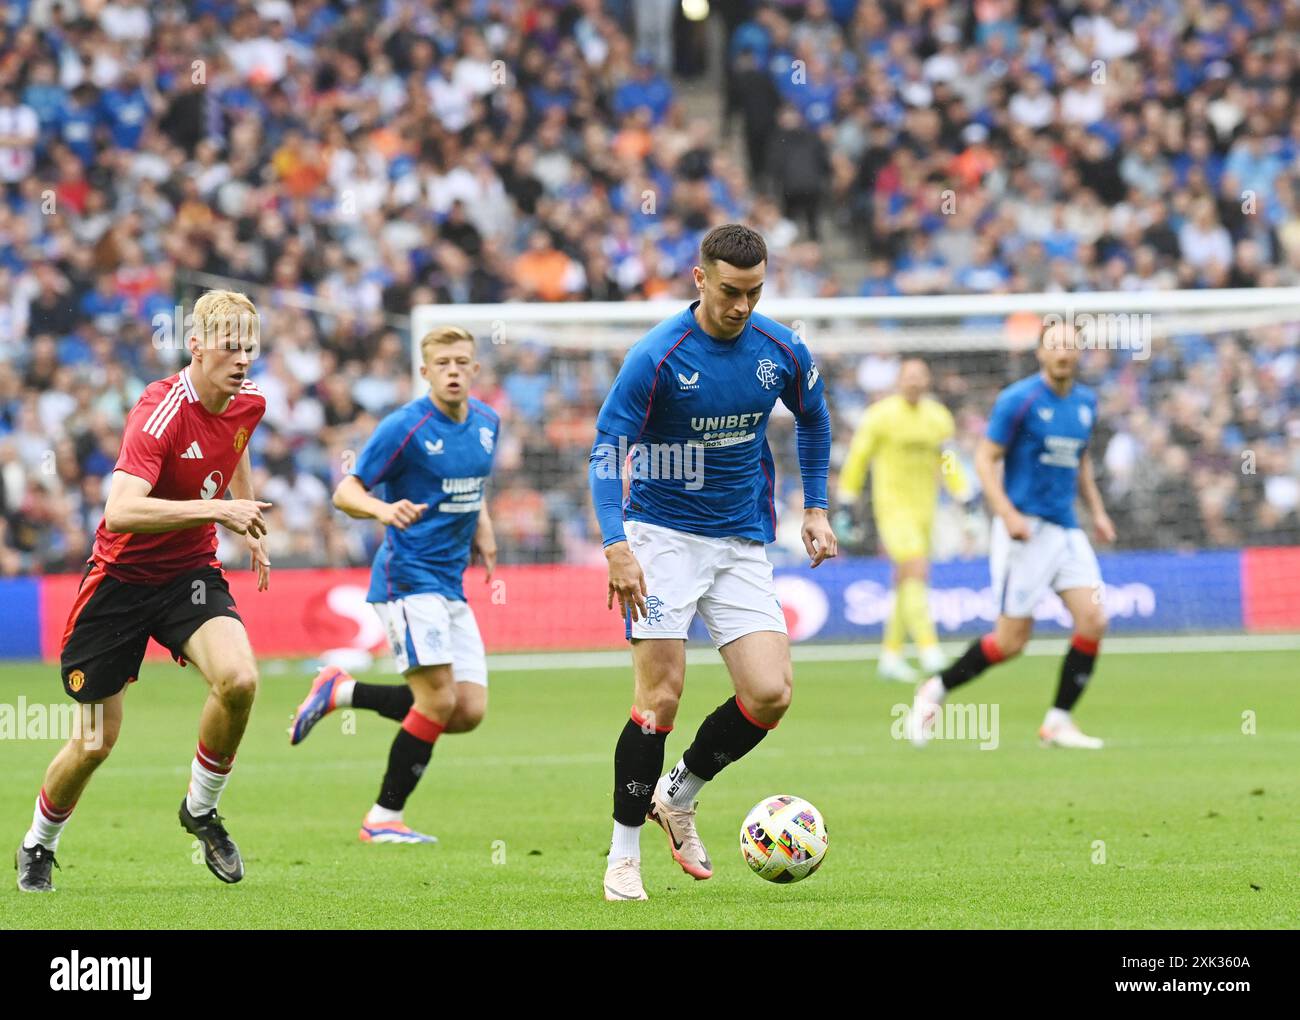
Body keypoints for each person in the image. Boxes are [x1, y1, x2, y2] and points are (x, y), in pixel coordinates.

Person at [589, 223, 836, 901]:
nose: (743, 306)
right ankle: (622, 856)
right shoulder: (658, 356)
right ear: (700, 279)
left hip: (740, 539)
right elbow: (608, 448)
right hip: (661, 538)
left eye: (755, 292)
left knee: (769, 694)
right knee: (660, 700)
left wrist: (815, 506)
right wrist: (617, 544)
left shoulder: (780, 348)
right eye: (731, 291)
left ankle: (679, 795)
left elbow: (814, 417)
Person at [16, 290, 271, 891]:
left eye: (249, 348)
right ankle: (38, 843)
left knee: (240, 680)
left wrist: (247, 517)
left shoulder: (249, 403)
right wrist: (218, 508)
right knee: (96, 743)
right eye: (230, 347)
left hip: (189, 576)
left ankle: (201, 810)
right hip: (120, 585)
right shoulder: (159, 409)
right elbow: (122, 511)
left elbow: (236, 445)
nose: (242, 359)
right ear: (197, 345)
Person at [289, 327, 499, 844]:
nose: (453, 370)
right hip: (407, 578)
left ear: (474, 370)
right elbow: (346, 490)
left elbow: (472, 486)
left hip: (450, 582)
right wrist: (384, 509)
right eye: (442, 363)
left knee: (467, 711)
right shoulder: (404, 427)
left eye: (461, 362)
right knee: (436, 701)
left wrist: (486, 534)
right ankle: (382, 819)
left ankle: (342, 690)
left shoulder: (488, 424)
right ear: (424, 372)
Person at [909, 325, 1115, 749]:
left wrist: (1097, 511)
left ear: (1079, 353)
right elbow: (984, 460)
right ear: (1040, 352)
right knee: (1011, 642)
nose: (1063, 352)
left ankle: (1058, 721)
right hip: (1024, 531)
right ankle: (937, 687)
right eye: (1054, 344)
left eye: (1070, 345)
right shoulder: (1018, 400)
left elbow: (1082, 462)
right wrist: (1006, 514)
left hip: (1066, 529)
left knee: (1094, 620)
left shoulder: (1085, 402)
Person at [837, 358, 970, 681]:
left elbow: (948, 460)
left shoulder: (938, 417)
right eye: (908, 377)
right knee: (915, 569)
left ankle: (891, 654)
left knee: (906, 578)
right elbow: (858, 457)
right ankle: (928, 647)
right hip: (892, 509)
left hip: (926, 510)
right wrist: (846, 499)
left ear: (926, 381)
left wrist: (963, 491)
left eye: (919, 377)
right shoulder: (880, 416)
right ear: (899, 380)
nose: (913, 382)